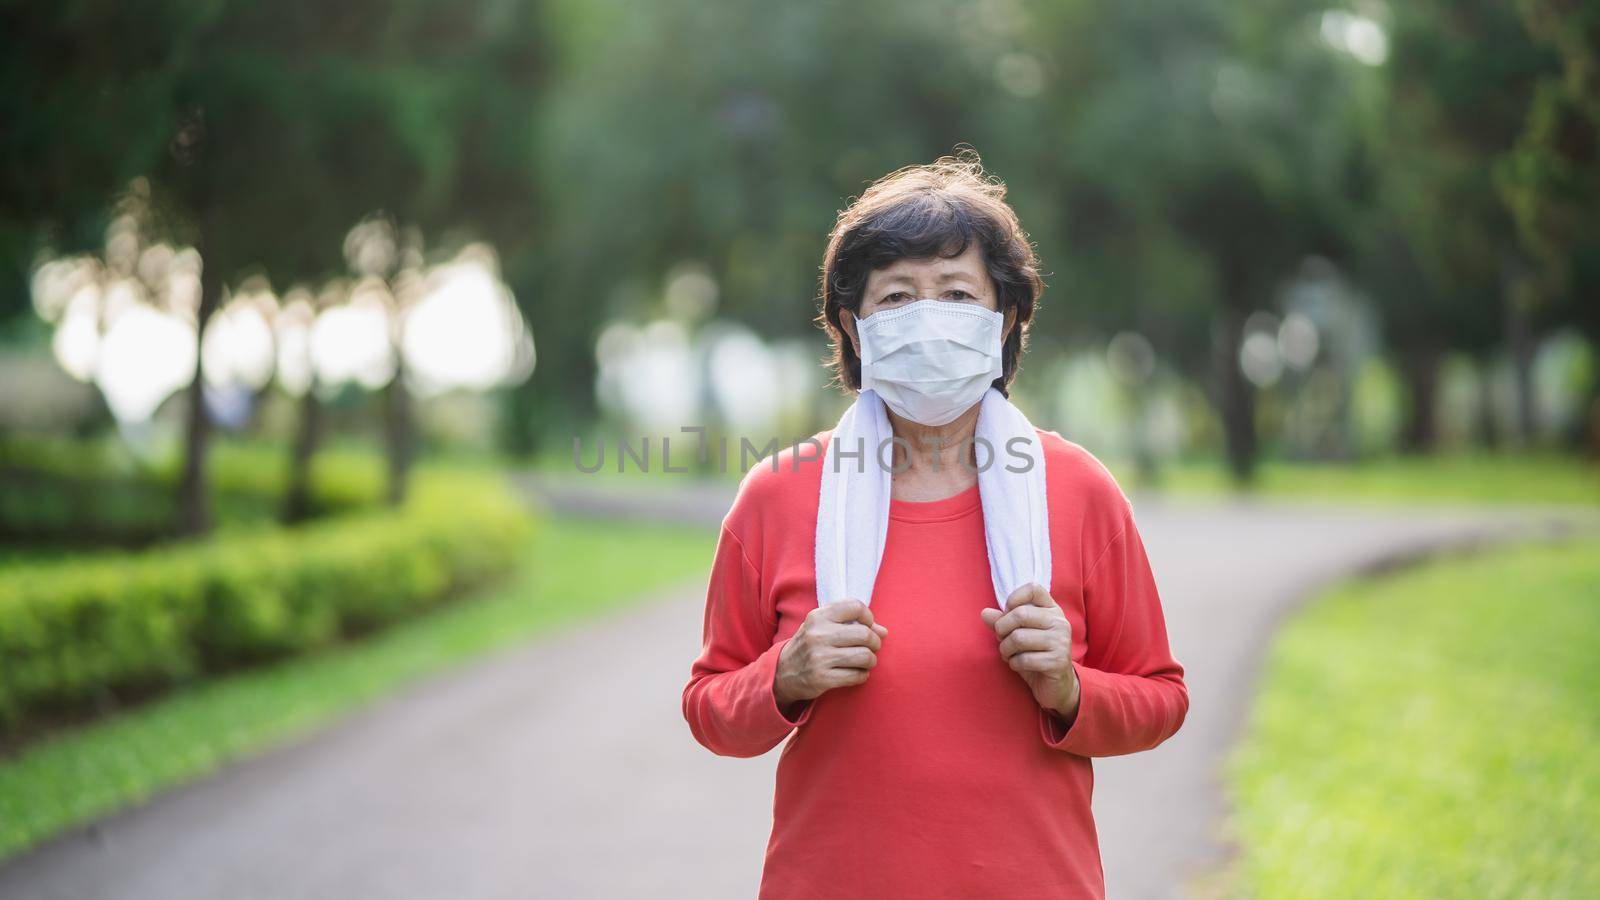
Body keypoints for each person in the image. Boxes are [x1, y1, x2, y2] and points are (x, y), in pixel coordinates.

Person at [682, 152, 1188, 899]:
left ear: (1004, 320)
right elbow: (709, 707)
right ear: (853, 328)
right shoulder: (779, 496)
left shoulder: (1077, 491)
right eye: (895, 297)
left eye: (956, 294)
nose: (926, 320)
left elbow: (1161, 698)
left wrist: (1070, 689)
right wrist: (782, 679)